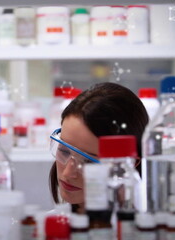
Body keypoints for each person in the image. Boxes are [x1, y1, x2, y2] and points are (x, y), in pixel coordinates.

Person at [48, 82, 149, 213]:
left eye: (88, 161)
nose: (68, 173)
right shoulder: (50, 223)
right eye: (64, 151)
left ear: (129, 164)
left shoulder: (145, 229)